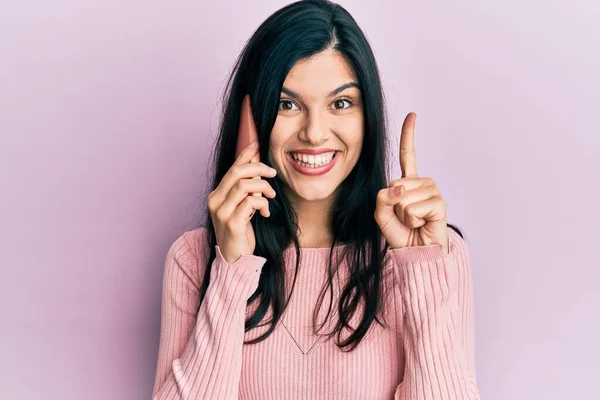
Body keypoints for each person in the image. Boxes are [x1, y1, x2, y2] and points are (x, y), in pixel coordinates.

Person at [151, 0, 480, 398]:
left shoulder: (437, 254)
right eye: (288, 104)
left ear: (367, 116)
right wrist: (231, 269)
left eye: (341, 103)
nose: (315, 133)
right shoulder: (193, 259)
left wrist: (422, 268)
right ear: (251, 115)